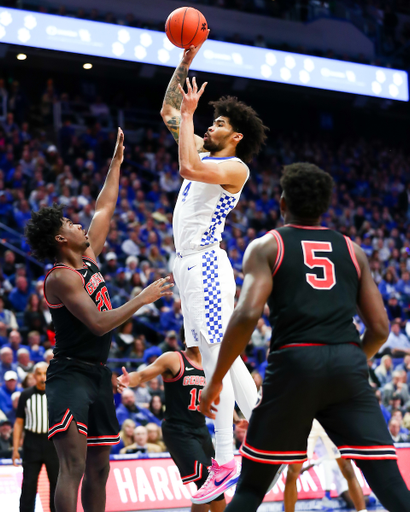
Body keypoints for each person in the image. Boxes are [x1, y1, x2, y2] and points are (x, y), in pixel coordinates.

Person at [200, 163, 410, 512]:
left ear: (282, 203)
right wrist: (352, 362)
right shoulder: (353, 250)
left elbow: (248, 314)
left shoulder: (267, 246)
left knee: (252, 488)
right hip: (347, 362)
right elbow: (380, 329)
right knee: (389, 482)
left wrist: (216, 379)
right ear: (325, 206)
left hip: (295, 363)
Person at [24, 128, 173, 512]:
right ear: (60, 240)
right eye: (70, 225)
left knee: (100, 469)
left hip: (98, 374)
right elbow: (99, 323)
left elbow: (102, 208)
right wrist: (142, 298)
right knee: (71, 468)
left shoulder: (87, 260)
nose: (78, 225)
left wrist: (116, 164)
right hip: (69, 375)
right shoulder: (60, 277)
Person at [160, 36, 268, 504]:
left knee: (215, 357)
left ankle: (225, 460)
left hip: (206, 261)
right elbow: (167, 111)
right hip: (185, 265)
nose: (211, 124)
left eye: (219, 121)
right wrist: (185, 62)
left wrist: (187, 119)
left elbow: (186, 167)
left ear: (236, 135)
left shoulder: (235, 168)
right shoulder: (205, 148)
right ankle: (271, 429)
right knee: (220, 355)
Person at [117, 337, 226, 512]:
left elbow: (221, 393)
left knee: (205, 489)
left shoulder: (210, 363)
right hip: (178, 430)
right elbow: (143, 374)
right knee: (213, 485)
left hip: (201, 429)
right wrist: (130, 380)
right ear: (187, 337)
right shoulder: (174, 359)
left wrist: (235, 417)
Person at [284, 420, 368, 512]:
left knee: (347, 470)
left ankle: (364, 506)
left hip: (328, 417)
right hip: (308, 419)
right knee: (292, 471)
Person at [12, 362, 59, 512]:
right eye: (38, 374)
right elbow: (19, 423)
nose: (42, 377)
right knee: (29, 484)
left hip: (53, 443)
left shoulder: (56, 393)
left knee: (56, 484)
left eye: (45, 373)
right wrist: (15, 449)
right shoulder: (25, 395)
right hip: (31, 443)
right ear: (33, 376)